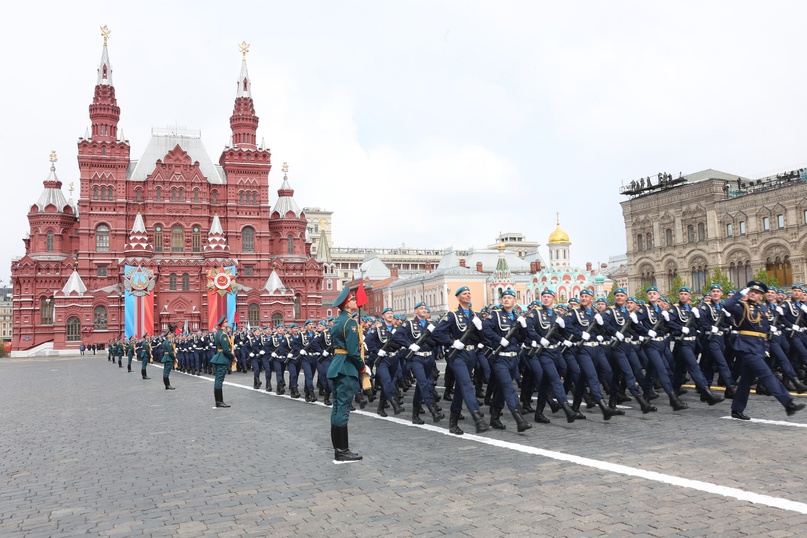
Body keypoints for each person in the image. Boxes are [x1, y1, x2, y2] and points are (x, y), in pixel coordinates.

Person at [725, 281, 805, 420]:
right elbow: (726, 305)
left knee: (746, 380)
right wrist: (740, 293)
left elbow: (766, 331)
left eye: (757, 292)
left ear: (761, 296)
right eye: (751, 291)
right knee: (767, 374)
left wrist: (766, 348)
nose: (753, 293)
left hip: (759, 348)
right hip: (747, 347)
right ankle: (788, 403)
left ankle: (737, 409)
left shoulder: (763, 309)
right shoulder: (741, 307)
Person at [432, 286, 490, 434]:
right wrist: (451, 342)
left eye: (469, 293)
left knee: (460, 389)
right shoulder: (452, 315)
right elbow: (437, 332)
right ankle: (478, 419)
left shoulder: (475, 316)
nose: (468, 295)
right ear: (458, 297)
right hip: (457, 355)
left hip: (471, 355)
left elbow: (484, 338)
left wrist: (480, 328)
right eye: (465, 293)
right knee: (466, 384)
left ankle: (454, 421)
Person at [327, 287, 366, 462]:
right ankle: (342, 451)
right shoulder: (349, 323)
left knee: (337, 407)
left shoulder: (338, 321)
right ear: (346, 304)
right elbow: (352, 351)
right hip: (346, 367)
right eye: (352, 299)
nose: (354, 301)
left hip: (337, 365)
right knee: (343, 408)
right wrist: (362, 366)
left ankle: (338, 448)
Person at [210, 315, 234, 408]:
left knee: (218, 379)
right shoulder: (223, 335)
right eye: (226, 321)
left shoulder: (219, 333)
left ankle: (219, 401)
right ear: (223, 324)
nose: (227, 322)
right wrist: (232, 356)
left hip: (219, 356)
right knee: (219, 380)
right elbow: (225, 349)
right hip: (222, 358)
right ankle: (219, 401)